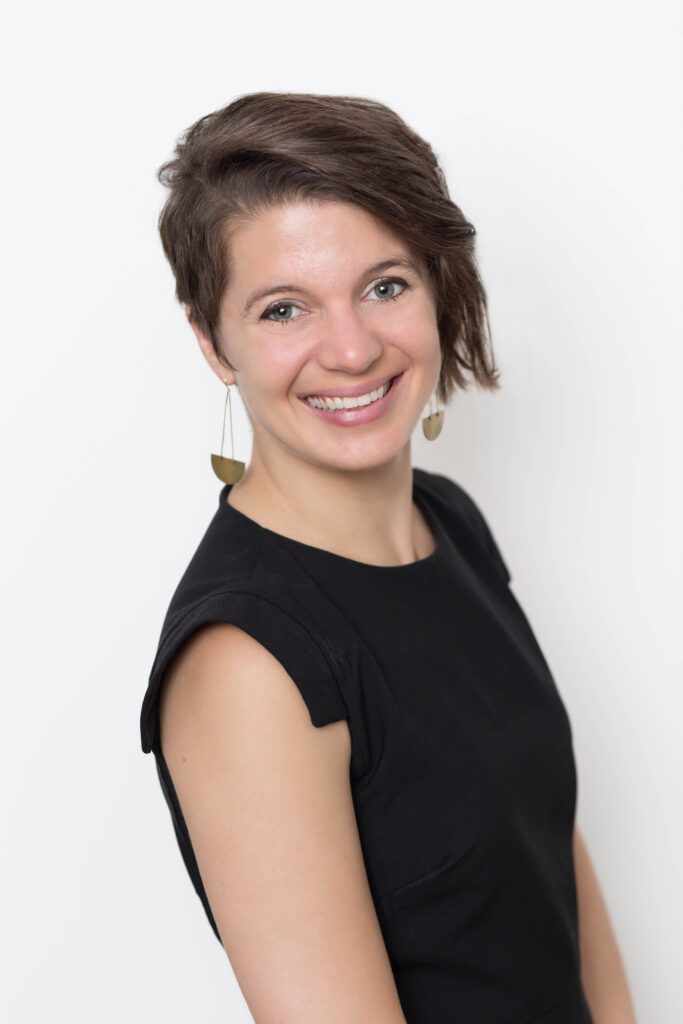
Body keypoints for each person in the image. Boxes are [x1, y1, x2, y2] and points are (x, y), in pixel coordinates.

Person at [139, 92, 637, 1024]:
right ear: (214, 343)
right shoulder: (248, 662)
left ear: (438, 287)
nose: (352, 347)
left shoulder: (449, 522)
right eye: (284, 308)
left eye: (384, 285)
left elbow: (551, 861)